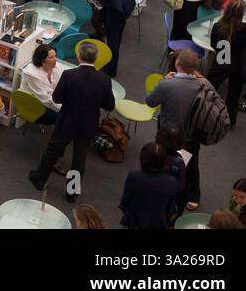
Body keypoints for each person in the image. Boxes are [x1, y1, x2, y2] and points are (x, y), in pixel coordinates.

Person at [28, 42, 115, 203]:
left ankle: (40, 179)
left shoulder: (69, 75)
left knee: (53, 150)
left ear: (79, 57)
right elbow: (110, 105)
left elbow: (56, 98)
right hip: (88, 124)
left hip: (67, 120)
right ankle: (72, 192)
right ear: (95, 59)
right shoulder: (104, 80)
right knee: (79, 159)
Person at [146, 49, 210, 211]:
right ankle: (192, 197)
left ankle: (161, 194)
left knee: (164, 162)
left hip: (168, 135)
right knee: (191, 164)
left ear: (177, 63)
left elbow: (150, 101)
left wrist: (162, 80)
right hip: (192, 134)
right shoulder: (204, 84)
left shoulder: (167, 84)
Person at [208, 0, 246, 126]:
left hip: (221, 62)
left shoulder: (218, 26)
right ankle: (230, 120)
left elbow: (213, 45)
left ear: (226, 11)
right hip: (237, 64)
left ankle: (205, 114)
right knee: (234, 93)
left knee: (209, 89)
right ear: (241, 13)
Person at [119, 143, 179, 229]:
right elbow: (170, 209)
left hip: (134, 222)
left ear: (142, 159)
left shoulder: (134, 176)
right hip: (159, 223)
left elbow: (125, 202)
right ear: (164, 161)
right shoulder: (172, 181)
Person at [20, 44, 61, 123]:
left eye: (55, 56)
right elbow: (45, 99)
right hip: (36, 105)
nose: (55, 59)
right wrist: (63, 108)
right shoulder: (31, 73)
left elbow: (61, 86)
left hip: (50, 99)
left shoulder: (57, 66)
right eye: (51, 57)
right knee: (65, 117)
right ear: (42, 60)